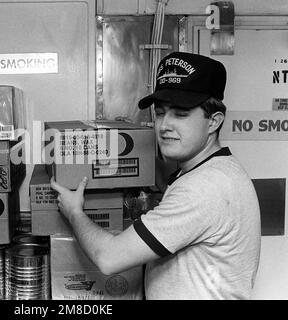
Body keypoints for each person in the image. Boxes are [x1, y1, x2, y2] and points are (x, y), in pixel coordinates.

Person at [50, 52, 261, 300]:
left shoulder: (205, 188)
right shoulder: (213, 169)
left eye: (180, 114)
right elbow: (169, 178)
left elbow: (109, 258)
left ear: (214, 121)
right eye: (160, 113)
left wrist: (75, 212)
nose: (164, 126)